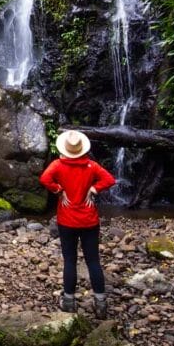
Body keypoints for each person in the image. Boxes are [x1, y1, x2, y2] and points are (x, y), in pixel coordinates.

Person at [39, 129, 116, 317]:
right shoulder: (92, 166)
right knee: (93, 261)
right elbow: (110, 179)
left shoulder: (58, 165)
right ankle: (100, 304)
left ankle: (69, 301)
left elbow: (44, 179)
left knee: (70, 261)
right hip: (89, 221)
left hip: (66, 221)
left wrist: (59, 190)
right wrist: (94, 189)